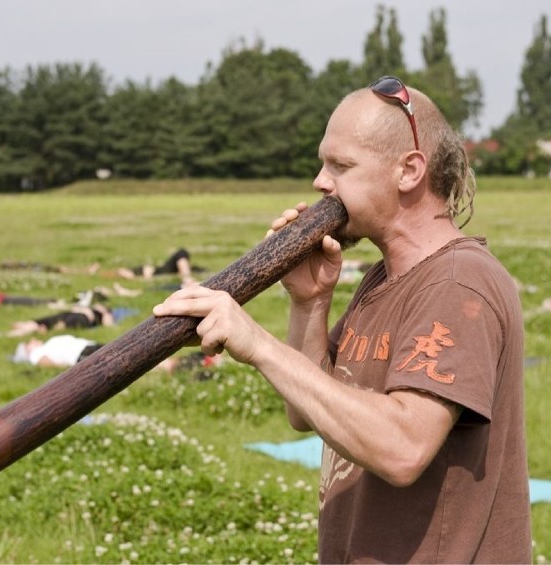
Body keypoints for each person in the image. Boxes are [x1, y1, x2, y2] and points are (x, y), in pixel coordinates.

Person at [153, 76, 530, 563]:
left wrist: (258, 344)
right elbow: (304, 413)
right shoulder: (383, 279)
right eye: (323, 163)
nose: (320, 182)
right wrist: (309, 302)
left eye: (341, 166)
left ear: (409, 171)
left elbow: (402, 449)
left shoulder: (456, 285)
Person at [0, 303, 115, 337]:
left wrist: (105, 315)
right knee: (41, 322)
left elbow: (109, 325)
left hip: (82, 318)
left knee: (60, 323)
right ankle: (30, 325)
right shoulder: (91, 307)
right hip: (68, 313)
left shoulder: (103, 313)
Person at [116, 248, 204, 287]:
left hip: (160, 270)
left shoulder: (135, 272)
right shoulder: (134, 274)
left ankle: (188, 276)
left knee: (183, 256)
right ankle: (187, 278)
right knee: (181, 253)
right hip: (160, 272)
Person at [11, 335, 103, 367]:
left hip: (91, 346)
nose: (32, 340)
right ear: (27, 351)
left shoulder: (47, 344)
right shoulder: (35, 354)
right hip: (83, 355)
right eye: (28, 343)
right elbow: (45, 362)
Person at [0, 256, 100, 275]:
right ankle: (84, 271)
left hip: (35, 269)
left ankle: (85, 271)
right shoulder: (7, 268)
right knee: (60, 270)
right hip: (36, 270)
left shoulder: (8, 267)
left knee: (60, 269)